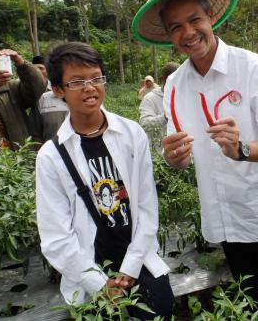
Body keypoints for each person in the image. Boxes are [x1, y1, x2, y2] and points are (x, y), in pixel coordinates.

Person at [132, 0, 258, 316]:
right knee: (248, 302)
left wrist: (243, 149)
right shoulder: (175, 85)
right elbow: (181, 155)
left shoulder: (253, 68)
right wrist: (172, 157)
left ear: (211, 19)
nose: (188, 32)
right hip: (225, 217)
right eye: (176, 27)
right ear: (169, 36)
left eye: (195, 20)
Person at [35, 42, 172, 319]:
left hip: (141, 261)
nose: (89, 87)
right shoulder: (51, 156)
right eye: (76, 81)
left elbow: (147, 207)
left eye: (96, 78)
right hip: (89, 275)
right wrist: (100, 284)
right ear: (58, 90)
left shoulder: (131, 134)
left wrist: (130, 268)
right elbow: (56, 237)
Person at [29, 54, 69, 143]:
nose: (37, 72)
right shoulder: (41, 99)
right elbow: (36, 135)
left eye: (41, 68)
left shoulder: (82, 97)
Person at [139, 62, 179, 143]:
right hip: (159, 150)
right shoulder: (150, 98)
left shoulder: (185, 96)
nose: (178, 82)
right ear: (163, 79)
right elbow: (144, 124)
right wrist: (165, 117)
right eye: (175, 79)